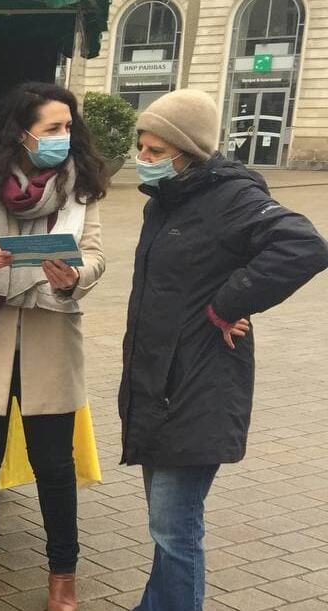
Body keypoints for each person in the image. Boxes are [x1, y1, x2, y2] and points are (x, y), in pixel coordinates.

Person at [120, 90, 328, 611]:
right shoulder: (166, 201)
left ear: (185, 149)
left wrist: (229, 302)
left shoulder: (230, 198)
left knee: (175, 529)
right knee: (166, 525)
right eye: (140, 149)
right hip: (157, 385)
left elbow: (303, 245)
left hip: (199, 386)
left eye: (152, 151)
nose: (141, 161)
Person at [0, 82, 108, 611]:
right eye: (52, 128)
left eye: (68, 127)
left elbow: (96, 256)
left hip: (49, 335)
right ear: (21, 132)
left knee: (54, 463)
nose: (63, 137)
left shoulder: (82, 187)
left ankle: (63, 575)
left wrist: (72, 275)